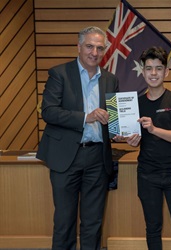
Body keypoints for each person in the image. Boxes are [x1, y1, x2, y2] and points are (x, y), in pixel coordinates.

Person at [36, 26, 119, 250]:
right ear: (79, 47)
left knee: (93, 223)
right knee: (64, 222)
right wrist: (86, 117)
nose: (94, 52)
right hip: (66, 159)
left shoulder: (111, 80)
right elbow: (48, 112)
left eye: (100, 48)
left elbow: (113, 122)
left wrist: (125, 132)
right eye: (89, 46)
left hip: (97, 159)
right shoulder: (59, 73)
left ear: (105, 52)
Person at [126, 46, 171, 250]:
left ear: (166, 72)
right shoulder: (135, 103)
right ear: (143, 71)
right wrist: (131, 140)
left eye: (158, 68)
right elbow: (134, 138)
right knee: (152, 228)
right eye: (148, 68)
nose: (153, 73)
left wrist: (154, 129)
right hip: (147, 174)